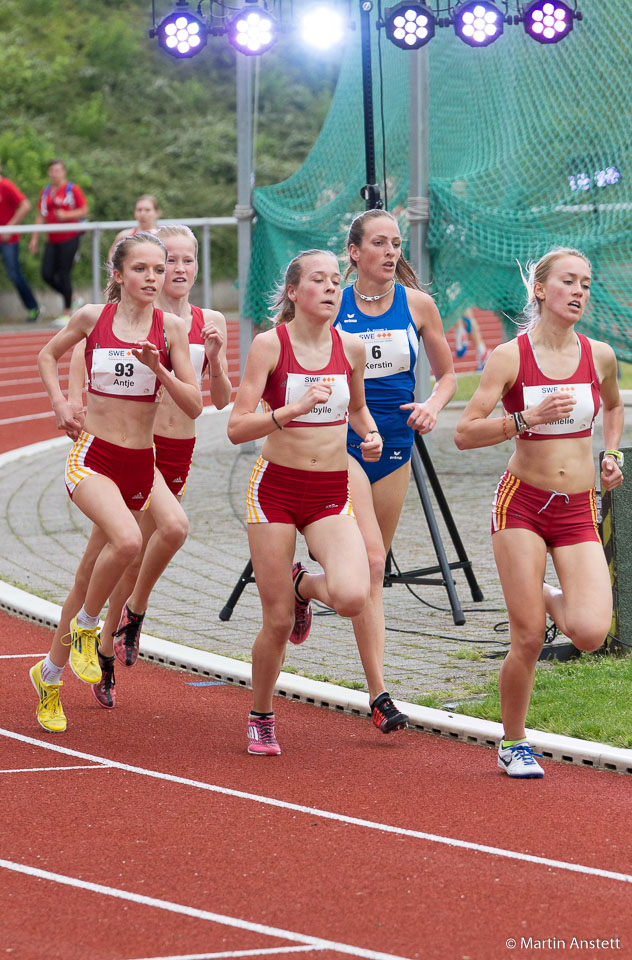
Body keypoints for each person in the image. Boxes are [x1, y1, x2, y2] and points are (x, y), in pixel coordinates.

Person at [454, 247, 624, 778]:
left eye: (586, 284)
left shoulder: (600, 355)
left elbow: (615, 406)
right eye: (568, 282)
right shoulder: (510, 356)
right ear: (541, 290)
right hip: (522, 502)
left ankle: (547, 596)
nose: (579, 292)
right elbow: (464, 432)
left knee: (592, 632)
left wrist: (611, 454)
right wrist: (521, 419)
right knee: (526, 637)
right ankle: (513, 741)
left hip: (577, 507)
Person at [29, 232, 203, 733]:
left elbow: (194, 404)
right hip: (94, 456)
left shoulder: (170, 328)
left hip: (140, 463)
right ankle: (87, 628)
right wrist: (63, 405)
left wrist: (160, 370)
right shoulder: (92, 318)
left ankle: (50, 675)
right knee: (127, 541)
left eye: (159, 268)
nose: (153, 278)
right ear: (119, 275)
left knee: (141, 543)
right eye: (142, 269)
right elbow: (47, 356)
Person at [63, 224, 232, 709]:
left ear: (197, 266)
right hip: (139, 447)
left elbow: (218, 401)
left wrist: (216, 360)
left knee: (126, 554)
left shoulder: (207, 320)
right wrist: (74, 401)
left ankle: (100, 646)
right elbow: (83, 349)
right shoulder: (137, 317)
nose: (178, 270)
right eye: (169, 261)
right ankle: (116, 625)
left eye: (186, 261)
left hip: (181, 451)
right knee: (158, 534)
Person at [227, 249, 383, 756]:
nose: (332, 287)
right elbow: (236, 426)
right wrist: (293, 409)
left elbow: (357, 408)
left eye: (337, 280)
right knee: (275, 621)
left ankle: (302, 585)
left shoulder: (352, 348)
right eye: (319, 280)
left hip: (329, 493)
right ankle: (261, 713)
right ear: (294, 292)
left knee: (353, 596)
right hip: (274, 489)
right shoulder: (270, 345)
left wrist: (371, 433)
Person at [332, 208, 456, 733]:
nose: (390, 252)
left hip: (397, 444)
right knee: (372, 556)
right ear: (355, 252)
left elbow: (449, 375)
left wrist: (432, 404)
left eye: (396, 243)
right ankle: (381, 691)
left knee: (370, 573)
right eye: (379, 243)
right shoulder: (327, 302)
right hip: (340, 442)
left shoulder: (418, 305)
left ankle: (304, 589)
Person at [29, 159, 89, 326]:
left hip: (70, 236)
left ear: (64, 172)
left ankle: (67, 312)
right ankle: (73, 299)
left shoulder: (72, 189)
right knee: (46, 274)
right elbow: (41, 214)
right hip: (52, 238)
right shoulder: (46, 191)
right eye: (52, 171)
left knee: (64, 273)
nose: (54, 174)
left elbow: (84, 210)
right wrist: (34, 237)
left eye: (58, 170)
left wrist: (67, 215)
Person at [0, 154, 40, 322]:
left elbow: (25, 205)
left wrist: (10, 227)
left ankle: (33, 307)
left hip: (8, 240)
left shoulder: (5, 186)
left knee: (14, 274)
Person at [108, 194, 161, 262]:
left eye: (147, 210)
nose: (142, 214)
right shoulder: (124, 236)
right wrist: (115, 270)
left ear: (157, 213)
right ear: (134, 213)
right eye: (139, 210)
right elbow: (112, 253)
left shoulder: (164, 236)